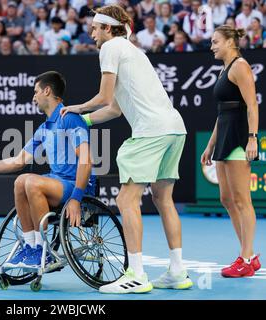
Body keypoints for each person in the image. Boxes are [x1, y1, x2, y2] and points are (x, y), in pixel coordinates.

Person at [61, 4, 192, 294]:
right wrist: (83, 119)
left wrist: (76, 107)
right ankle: (177, 271)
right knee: (163, 199)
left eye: (96, 28)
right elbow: (115, 108)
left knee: (126, 200)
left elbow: (104, 95)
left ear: (108, 28)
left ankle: (136, 274)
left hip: (151, 132)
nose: (92, 33)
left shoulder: (110, 48)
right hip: (174, 128)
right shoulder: (133, 51)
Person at [0, 71, 96, 268]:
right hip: (56, 182)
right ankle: (30, 246)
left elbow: (87, 160)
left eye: (36, 92)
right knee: (20, 181)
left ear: (47, 91)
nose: (33, 97)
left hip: (76, 185)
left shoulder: (70, 119)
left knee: (31, 181)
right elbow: (18, 161)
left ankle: (43, 251)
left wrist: (76, 198)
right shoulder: (43, 128)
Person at [202, 25, 260, 278]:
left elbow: (251, 106)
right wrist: (210, 144)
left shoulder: (240, 66)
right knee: (226, 199)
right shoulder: (225, 69)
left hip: (239, 137)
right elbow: (222, 112)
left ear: (229, 42)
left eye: (216, 41)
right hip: (224, 136)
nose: (212, 46)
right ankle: (248, 255)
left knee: (241, 199)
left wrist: (252, 139)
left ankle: (247, 258)